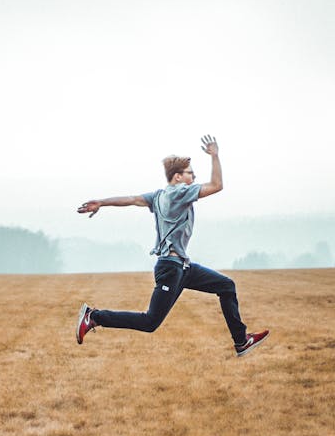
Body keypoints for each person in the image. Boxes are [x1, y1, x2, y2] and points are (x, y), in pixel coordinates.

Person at [76, 135, 269, 357]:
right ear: (178, 177)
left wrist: (102, 202)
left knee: (226, 285)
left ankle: (241, 341)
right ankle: (94, 317)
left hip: (182, 267)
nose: (194, 176)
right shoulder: (180, 192)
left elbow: (131, 198)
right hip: (170, 268)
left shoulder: (158, 195)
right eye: (190, 173)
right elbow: (217, 185)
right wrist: (215, 155)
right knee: (150, 322)